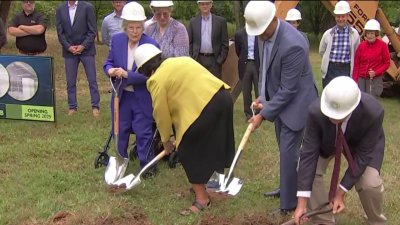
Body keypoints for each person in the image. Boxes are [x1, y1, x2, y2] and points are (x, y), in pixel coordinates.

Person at [134, 43, 234, 215]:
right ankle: (206, 185)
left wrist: (166, 141)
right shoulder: (181, 60)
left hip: (204, 108)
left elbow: (161, 113)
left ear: (145, 68)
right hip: (223, 98)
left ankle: (202, 199)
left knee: (187, 150)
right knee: (212, 144)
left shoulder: (155, 80)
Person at [244, 1, 318, 214]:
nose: (259, 36)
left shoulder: (293, 44)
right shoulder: (263, 34)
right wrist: (262, 96)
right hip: (280, 100)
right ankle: (287, 188)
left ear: (274, 20)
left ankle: (289, 204)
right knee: (285, 151)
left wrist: (262, 115)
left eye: (261, 31)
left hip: (297, 104)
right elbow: (266, 68)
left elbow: (288, 89)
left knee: (288, 153)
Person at [293, 76, 386, 225]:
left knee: (370, 183)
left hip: (360, 146)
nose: (331, 117)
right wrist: (302, 204)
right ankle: (324, 221)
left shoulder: (373, 112)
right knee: (307, 169)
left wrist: (341, 191)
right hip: (328, 142)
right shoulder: (315, 112)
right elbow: (308, 154)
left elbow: (363, 156)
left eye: (337, 115)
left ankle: (376, 221)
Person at [103, 2, 159, 175]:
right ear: (125, 27)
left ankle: (146, 165)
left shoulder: (151, 44)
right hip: (121, 97)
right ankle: (120, 162)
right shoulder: (117, 40)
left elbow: (152, 74)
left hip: (142, 97)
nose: (135, 31)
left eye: (138, 28)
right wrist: (110, 70)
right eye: (131, 27)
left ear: (143, 27)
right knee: (120, 129)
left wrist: (128, 74)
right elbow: (108, 62)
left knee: (143, 132)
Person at [55, 0, 100, 117]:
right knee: (70, 82)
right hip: (69, 51)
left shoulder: (88, 7)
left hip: (87, 50)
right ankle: (72, 107)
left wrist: (83, 46)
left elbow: (92, 30)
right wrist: (68, 47)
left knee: (92, 80)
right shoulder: (60, 9)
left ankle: (95, 106)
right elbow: (60, 33)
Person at [319, 0, 360, 88]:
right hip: (330, 69)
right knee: (329, 94)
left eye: (343, 16)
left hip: (346, 69)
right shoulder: (328, 33)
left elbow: (356, 52)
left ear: (348, 16)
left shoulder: (354, 34)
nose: (340, 19)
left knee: (344, 95)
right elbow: (322, 51)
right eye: (338, 16)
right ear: (335, 16)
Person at [187, 0, 229, 79]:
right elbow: (189, 42)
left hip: (215, 60)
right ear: (199, 6)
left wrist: (220, 60)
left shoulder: (221, 22)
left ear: (211, 5)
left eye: (207, 4)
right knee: (199, 85)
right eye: (202, 4)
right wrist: (192, 58)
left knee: (215, 87)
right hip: (198, 59)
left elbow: (225, 44)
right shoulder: (193, 22)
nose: (205, 6)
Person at [353, 19, 390, 98]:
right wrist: (355, 80)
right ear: (365, 34)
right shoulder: (361, 46)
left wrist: (376, 72)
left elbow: (387, 63)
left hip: (375, 80)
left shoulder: (383, 46)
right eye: (368, 33)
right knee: (360, 100)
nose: (369, 35)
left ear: (376, 34)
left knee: (372, 101)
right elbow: (356, 64)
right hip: (361, 79)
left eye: (372, 33)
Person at [234, 28, 259, 120]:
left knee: (258, 89)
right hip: (245, 64)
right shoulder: (239, 34)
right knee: (246, 90)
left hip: (257, 63)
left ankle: (259, 112)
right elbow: (238, 50)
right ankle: (248, 113)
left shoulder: (260, 33)